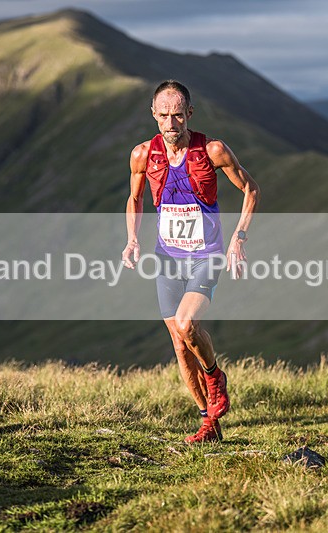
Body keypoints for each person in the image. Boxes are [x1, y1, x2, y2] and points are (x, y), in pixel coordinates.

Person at [121, 80, 260, 444]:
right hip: (167, 258)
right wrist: (132, 238)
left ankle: (215, 376)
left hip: (205, 255)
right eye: (164, 115)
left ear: (190, 114)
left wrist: (238, 238)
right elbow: (134, 199)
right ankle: (207, 423)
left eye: (178, 115)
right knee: (179, 346)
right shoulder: (142, 155)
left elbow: (250, 188)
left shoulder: (212, 150)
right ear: (153, 114)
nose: (171, 123)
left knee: (187, 324)